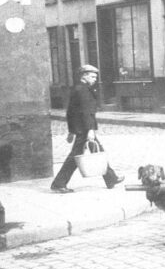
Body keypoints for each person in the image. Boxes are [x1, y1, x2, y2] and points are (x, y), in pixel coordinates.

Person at [51, 64, 124, 193]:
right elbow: (86, 112)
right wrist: (90, 130)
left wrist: (71, 131)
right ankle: (59, 184)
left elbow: (70, 112)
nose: (95, 79)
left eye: (95, 77)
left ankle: (111, 178)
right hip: (84, 129)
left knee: (97, 151)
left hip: (81, 128)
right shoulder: (83, 90)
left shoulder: (79, 89)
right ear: (84, 76)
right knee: (76, 156)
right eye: (92, 76)